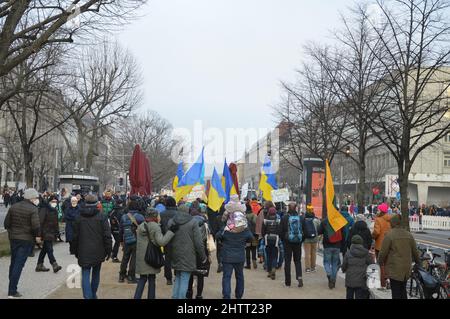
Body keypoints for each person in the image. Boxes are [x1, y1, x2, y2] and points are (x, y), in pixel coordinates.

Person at [71, 194, 112, 299]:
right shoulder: (102, 217)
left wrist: (74, 250)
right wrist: (108, 250)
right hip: (98, 250)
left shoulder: (79, 217)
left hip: (83, 250)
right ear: (97, 204)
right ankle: (92, 295)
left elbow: (74, 236)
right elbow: (107, 235)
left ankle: (88, 296)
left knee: (85, 273)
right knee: (95, 273)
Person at [4, 188, 41, 298]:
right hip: (26, 240)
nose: (37, 199)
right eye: (36, 197)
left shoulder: (14, 206)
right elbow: (36, 226)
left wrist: (12, 233)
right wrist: (37, 236)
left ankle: (12, 285)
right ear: (31, 198)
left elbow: (7, 224)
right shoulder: (33, 209)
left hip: (13, 238)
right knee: (19, 264)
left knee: (14, 261)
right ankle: (12, 290)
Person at [216, 196, 254, 299]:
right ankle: (238, 295)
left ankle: (227, 296)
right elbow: (251, 238)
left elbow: (218, 236)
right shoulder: (244, 228)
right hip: (240, 256)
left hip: (227, 256)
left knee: (227, 277)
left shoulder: (227, 228)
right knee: (240, 277)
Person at [167, 204, 207, 299]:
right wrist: (203, 257)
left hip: (175, 252)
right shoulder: (193, 222)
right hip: (188, 254)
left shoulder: (172, 222)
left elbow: (168, 237)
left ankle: (175, 296)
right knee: (185, 278)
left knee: (178, 277)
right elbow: (198, 242)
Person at [134, 208, 175, 299]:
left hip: (142, 257)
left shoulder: (141, 226)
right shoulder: (155, 226)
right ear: (155, 216)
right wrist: (170, 232)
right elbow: (161, 242)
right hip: (151, 256)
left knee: (142, 279)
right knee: (152, 279)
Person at [378, 214, 420, 299]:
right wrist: (418, 262)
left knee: (396, 291)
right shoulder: (409, 235)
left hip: (395, 268)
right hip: (406, 268)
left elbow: (383, 252)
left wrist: (379, 262)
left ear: (393, 223)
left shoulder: (389, 235)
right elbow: (415, 252)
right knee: (403, 289)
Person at [119, 196, 145, 283]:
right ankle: (131, 276)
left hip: (126, 239)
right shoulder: (140, 217)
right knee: (134, 259)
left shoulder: (124, 217)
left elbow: (121, 230)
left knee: (125, 258)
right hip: (136, 240)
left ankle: (121, 276)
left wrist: (121, 241)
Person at [186, 205, 210, 299]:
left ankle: (189, 293)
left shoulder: (188, 224)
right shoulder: (205, 224)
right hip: (202, 250)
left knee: (190, 274)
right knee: (201, 275)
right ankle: (199, 295)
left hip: (190, 251)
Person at [35, 195, 62, 273]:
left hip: (51, 232)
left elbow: (56, 223)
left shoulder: (54, 210)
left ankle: (39, 264)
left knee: (45, 249)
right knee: (50, 249)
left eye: (56, 202)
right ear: (49, 202)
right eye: (53, 202)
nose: (54, 203)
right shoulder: (44, 209)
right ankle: (54, 264)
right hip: (45, 232)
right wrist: (39, 235)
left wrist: (57, 233)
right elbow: (40, 223)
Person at [280, 202, 304, 287]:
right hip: (298, 242)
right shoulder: (300, 218)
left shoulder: (284, 217)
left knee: (287, 261)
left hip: (287, 242)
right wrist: (301, 240)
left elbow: (281, 231)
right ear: (296, 208)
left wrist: (284, 239)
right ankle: (299, 277)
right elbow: (303, 230)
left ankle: (288, 281)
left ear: (288, 208)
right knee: (297, 261)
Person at [341, 235, 372, 299]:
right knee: (360, 296)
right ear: (361, 243)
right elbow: (371, 265)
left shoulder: (348, 253)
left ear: (352, 243)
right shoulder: (366, 253)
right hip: (362, 280)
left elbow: (344, 265)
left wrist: (343, 270)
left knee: (349, 296)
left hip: (350, 279)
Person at [318, 217, 343, 289]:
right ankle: (333, 280)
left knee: (326, 262)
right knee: (335, 264)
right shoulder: (339, 220)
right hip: (337, 245)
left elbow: (319, 231)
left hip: (327, 245)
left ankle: (329, 274)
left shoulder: (325, 221)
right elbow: (343, 233)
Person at [372, 202, 392, 288]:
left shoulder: (378, 219)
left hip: (380, 245)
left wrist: (372, 236)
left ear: (381, 210)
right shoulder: (391, 219)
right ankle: (388, 279)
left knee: (381, 264)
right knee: (388, 263)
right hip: (389, 244)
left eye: (379, 209)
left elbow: (377, 232)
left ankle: (383, 283)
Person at [159, 196, 178, 285]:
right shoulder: (178, 213)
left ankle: (168, 278)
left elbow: (160, 226)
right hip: (177, 238)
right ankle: (177, 276)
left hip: (166, 238)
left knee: (167, 258)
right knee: (177, 258)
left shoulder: (162, 214)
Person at [262, 207, 281, 280]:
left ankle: (269, 271)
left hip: (267, 239)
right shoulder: (278, 220)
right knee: (275, 255)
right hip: (275, 239)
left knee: (268, 256)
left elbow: (263, 231)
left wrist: (264, 237)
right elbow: (280, 230)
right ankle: (273, 267)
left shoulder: (265, 220)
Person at [303, 205, 321, 273]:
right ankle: (313, 267)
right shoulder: (316, 220)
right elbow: (319, 229)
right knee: (313, 253)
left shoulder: (304, 220)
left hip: (306, 239)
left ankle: (307, 268)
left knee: (307, 254)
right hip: (315, 239)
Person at [109, 198, 125, 263]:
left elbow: (109, 217)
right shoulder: (121, 211)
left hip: (112, 228)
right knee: (118, 242)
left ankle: (113, 253)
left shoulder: (113, 210)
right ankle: (114, 256)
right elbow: (121, 221)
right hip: (118, 228)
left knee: (117, 242)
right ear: (121, 203)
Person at [245, 202, 258, 269]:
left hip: (247, 235)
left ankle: (248, 264)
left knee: (247, 249)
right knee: (254, 249)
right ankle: (254, 260)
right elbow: (257, 225)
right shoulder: (255, 215)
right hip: (254, 235)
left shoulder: (244, 216)